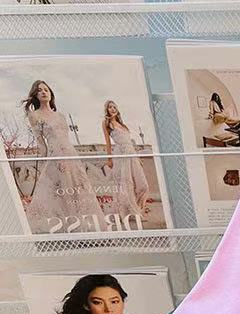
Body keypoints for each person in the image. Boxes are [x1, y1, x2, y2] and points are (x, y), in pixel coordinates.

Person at [22, 80, 106, 234]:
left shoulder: (60, 116)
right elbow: (41, 143)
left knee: (78, 190)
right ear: (36, 95)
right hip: (56, 157)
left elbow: (65, 139)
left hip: (71, 155)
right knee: (63, 192)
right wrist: (44, 165)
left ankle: (83, 227)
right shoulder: (34, 115)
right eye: (39, 90)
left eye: (46, 89)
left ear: (50, 93)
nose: (43, 92)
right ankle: (70, 229)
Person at [102, 100, 149, 222]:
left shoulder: (122, 125)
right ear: (107, 110)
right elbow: (108, 143)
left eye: (114, 107)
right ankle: (134, 214)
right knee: (126, 185)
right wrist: (109, 159)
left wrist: (137, 157)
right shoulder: (106, 123)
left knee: (143, 185)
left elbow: (130, 143)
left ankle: (137, 209)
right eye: (110, 107)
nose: (112, 109)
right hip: (121, 155)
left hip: (131, 154)